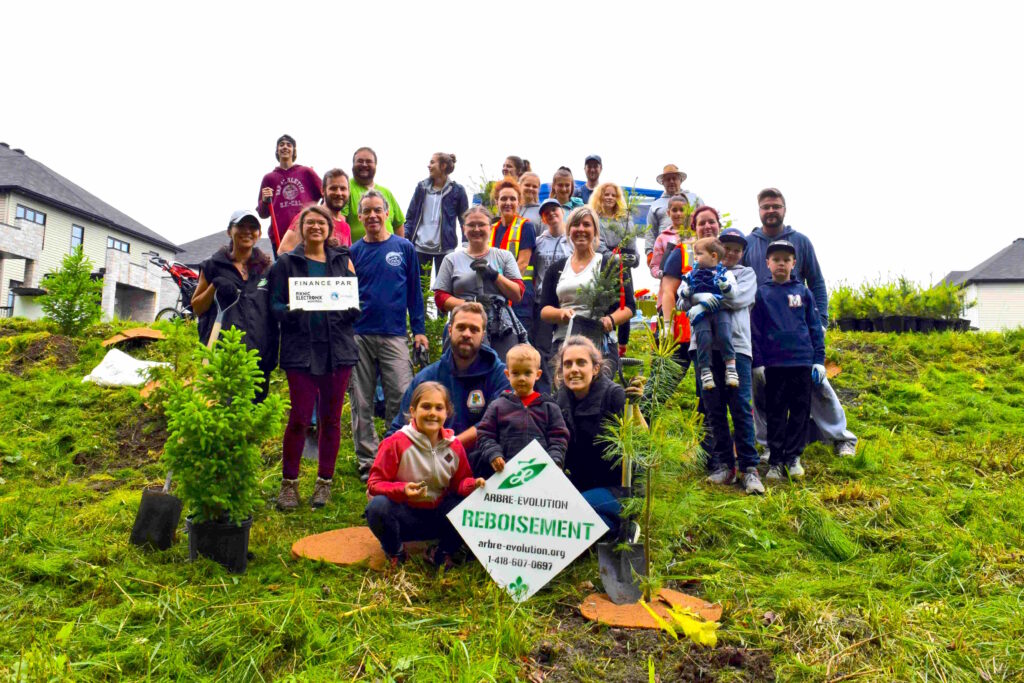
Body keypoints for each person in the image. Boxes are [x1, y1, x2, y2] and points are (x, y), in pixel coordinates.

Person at [743, 188, 858, 458]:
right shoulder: (750, 245)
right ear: (759, 210)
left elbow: (816, 282)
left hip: (798, 333)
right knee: (761, 390)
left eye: (776, 206)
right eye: (766, 206)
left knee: (817, 384)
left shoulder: (801, 242)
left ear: (784, 209)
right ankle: (769, 444)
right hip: (763, 334)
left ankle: (841, 437)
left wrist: (821, 322)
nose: (771, 211)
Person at [269, 205, 360, 510]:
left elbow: (354, 301)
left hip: (338, 351)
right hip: (300, 351)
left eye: (322, 223)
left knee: (331, 420)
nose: (316, 227)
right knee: (298, 419)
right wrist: (292, 312)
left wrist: (350, 308)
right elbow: (275, 306)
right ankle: (289, 485)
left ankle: (324, 484)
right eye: (310, 222)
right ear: (301, 227)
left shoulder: (343, 260)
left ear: (330, 229)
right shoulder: (286, 263)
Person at [349, 190, 428, 482]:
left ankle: (394, 455)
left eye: (377, 210)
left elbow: (414, 294)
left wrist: (419, 330)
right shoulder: (353, 252)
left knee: (401, 395)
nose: (372, 215)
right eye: (366, 211)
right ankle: (368, 463)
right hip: (359, 334)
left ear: (386, 214)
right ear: (359, 217)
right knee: (362, 400)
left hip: (395, 334)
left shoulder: (404, 248)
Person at [366, 381, 486, 568]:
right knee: (377, 506)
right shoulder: (396, 443)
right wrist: (403, 489)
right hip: (404, 517)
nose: (432, 413)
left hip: (438, 517)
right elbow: (374, 483)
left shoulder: (454, 446)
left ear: (447, 413)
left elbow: (459, 484)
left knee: (466, 503)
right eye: (426, 407)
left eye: (439, 408)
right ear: (413, 411)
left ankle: (443, 552)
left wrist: (473, 484)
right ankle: (395, 551)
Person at [684, 227, 763, 495]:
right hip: (703, 348)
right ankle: (724, 465)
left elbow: (737, 297)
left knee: (741, 406)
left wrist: (701, 302)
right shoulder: (698, 272)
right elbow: (683, 303)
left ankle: (749, 468)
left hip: (737, 348)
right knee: (713, 408)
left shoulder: (746, 275)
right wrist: (694, 296)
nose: (731, 252)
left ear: (742, 253)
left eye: (737, 249)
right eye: (726, 246)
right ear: (717, 249)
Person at [387, 303, 512, 457]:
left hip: (486, 462)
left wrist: (453, 446)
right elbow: (399, 428)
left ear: (483, 335)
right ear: (450, 330)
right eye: (461, 327)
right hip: (433, 463)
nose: (467, 334)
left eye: (474, 329)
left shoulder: (500, 375)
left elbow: (499, 420)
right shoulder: (427, 377)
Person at [750, 239, 826, 481]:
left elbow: (814, 327)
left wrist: (819, 360)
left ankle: (794, 457)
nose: (781, 264)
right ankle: (776, 460)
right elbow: (756, 331)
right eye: (776, 260)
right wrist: (758, 362)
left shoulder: (803, 292)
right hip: (774, 366)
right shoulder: (762, 294)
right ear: (768, 263)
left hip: (802, 364)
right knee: (775, 412)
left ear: (794, 263)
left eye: (786, 260)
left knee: (800, 411)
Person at [191, 209, 277, 403]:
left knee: (253, 416)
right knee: (220, 410)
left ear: (259, 234)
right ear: (230, 231)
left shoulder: (267, 269)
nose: (247, 231)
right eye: (241, 226)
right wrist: (214, 286)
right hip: (221, 355)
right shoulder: (213, 265)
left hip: (259, 356)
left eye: (252, 227)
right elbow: (196, 307)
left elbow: (275, 309)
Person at [539, 207, 635, 375]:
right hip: (564, 342)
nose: (581, 229)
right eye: (576, 225)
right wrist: (560, 313)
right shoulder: (557, 268)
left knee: (599, 397)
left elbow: (629, 307)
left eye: (586, 225)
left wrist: (611, 320)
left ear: (595, 230)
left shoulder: (611, 265)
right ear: (569, 230)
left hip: (600, 344)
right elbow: (545, 310)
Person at [555, 336, 634, 539]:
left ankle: (621, 524)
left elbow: (639, 447)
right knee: (558, 512)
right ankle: (613, 530)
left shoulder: (613, 395)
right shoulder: (560, 399)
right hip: (581, 484)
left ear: (596, 368)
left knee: (572, 509)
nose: (574, 369)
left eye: (581, 363)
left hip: (617, 488)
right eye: (567, 364)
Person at [433, 206, 525, 362]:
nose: (477, 229)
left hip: (501, 325)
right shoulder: (452, 259)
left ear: (490, 227)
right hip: (464, 320)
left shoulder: (504, 256)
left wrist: (494, 275)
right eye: (471, 225)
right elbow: (440, 297)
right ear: (464, 229)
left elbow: (517, 294)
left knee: (504, 370)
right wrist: (470, 304)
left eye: (481, 224)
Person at [474, 344, 570, 477]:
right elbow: (484, 434)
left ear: (538, 374)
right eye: (516, 373)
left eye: (527, 373)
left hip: (540, 474)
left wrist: (554, 460)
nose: (521, 378)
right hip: (504, 474)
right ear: (507, 374)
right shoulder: (497, 406)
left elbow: (559, 438)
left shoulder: (550, 408)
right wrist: (494, 454)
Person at [658, 205, 718, 370]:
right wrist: (668, 327)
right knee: (663, 384)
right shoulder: (683, 252)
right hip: (683, 332)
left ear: (718, 225)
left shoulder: (727, 253)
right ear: (694, 227)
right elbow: (668, 291)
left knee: (708, 387)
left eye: (711, 222)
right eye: (701, 223)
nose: (707, 226)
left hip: (717, 333)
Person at [676, 237, 739, 390]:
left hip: (719, 311)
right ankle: (705, 371)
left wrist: (725, 286)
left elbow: (734, 294)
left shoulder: (724, 273)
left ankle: (731, 367)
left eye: (699, 253)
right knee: (703, 338)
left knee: (724, 334)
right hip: (701, 316)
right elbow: (680, 294)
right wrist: (687, 292)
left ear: (714, 256)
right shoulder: (692, 274)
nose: (695, 257)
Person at [590, 181, 639, 358]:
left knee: (626, 303)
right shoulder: (595, 218)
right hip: (605, 264)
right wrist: (612, 256)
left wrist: (634, 258)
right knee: (607, 303)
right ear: (600, 197)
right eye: (606, 194)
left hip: (624, 264)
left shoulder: (625, 219)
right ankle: (604, 343)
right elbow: (597, 242)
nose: (609, 198)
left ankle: (623, 346)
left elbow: (632, 240)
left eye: (613, 195)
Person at [404, 152, 469, 278]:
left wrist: (466, 243)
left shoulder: (457, 190)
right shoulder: (421, 187)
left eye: (432, 162)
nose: (429, 166)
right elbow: (410, 216)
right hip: (419, 247)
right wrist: (405, 237)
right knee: (420, 289)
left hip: (445, 249)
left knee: (444, 289)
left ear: (443, 165)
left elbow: (464, 219)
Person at [257, 134, 322, 255]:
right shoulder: (269, 178)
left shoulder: (306, 172)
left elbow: (326, 195)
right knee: (284, 272)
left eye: (289, 145)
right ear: (277, 151)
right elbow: (262, 213)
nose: (285, 147)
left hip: (306, 234)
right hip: (279, 237)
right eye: (281, 145)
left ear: (294, 150)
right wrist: (265, 200)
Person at [490, 177, 537, 339]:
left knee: (519, 341)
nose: (508, 202)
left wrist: (501, 283)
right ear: (497, 202)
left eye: (512, 199)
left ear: (519, 203)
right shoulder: (491, 229)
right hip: (495, 296)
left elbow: (523, 263)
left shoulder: (526, 226)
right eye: (503, 199)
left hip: (519, 295)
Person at [277, 168, 353, 253]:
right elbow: (283, 251)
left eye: (343, 189)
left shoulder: (346, 228)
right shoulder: (307, 217)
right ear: (323, 191)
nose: (339, 193)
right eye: (333, 188)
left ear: (348, 192)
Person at [644, 164, 704, 260]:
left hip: (692, 249)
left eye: (674, 178)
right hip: (665, 252)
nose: (671, 181)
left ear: (680, 180)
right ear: (663, 182)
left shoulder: (694, 199)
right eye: (668, 179)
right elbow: (650, 231)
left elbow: (705, 220)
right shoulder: (655, 205)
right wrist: (649, 253)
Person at [346, 147, 405, 242]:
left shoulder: (386, 192)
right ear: (353, 165)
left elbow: (398, 224)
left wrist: (401, 248)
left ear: (376, 165)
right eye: (360, 161)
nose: (364, 164)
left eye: (369, 161)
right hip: (359, 254)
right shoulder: (345, 189)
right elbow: (339, 220)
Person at [650, 195, 691, 279]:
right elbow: (655, 265)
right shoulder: (662, 238)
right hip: (668, 283)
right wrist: (660, 274)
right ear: (668, 213)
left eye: (682, 210)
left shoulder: (694, 235)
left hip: (690, 284)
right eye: (674, 210)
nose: (678, 214)